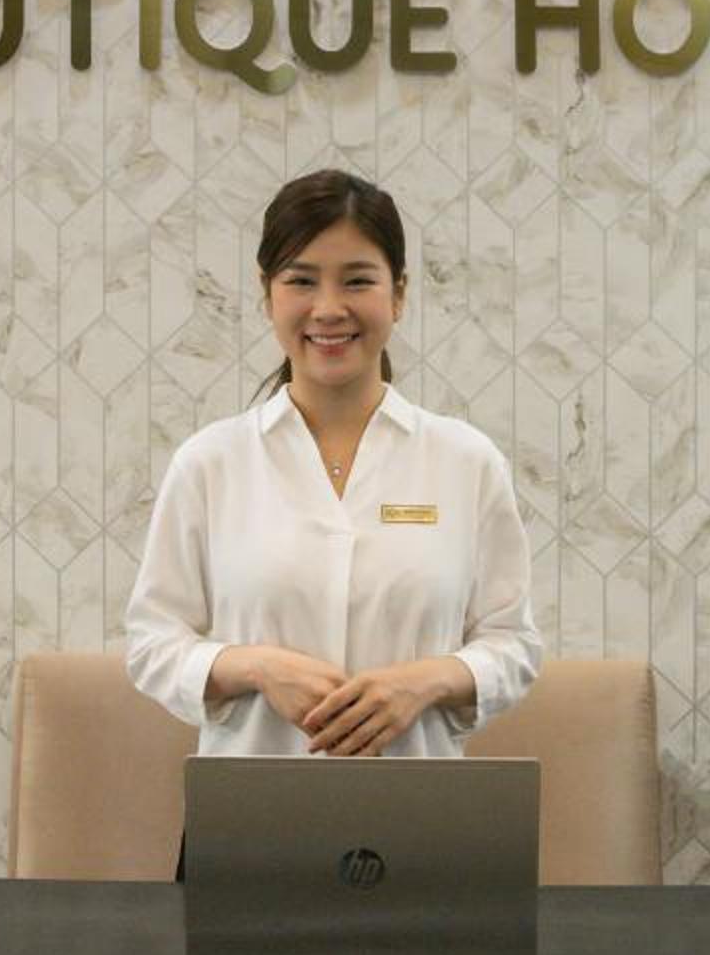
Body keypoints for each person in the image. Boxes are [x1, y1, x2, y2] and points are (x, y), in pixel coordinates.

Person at [124, 169, 543, 813]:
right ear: (267, 295)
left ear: (398, 295)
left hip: (420, 819)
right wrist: (256, 666)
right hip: (250, 820)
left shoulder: (466, 461)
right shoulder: (211, 463)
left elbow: (514, 644)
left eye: (357, 280)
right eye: (301, 280)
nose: (327, 308)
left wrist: (428, 680)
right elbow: (153, 644)